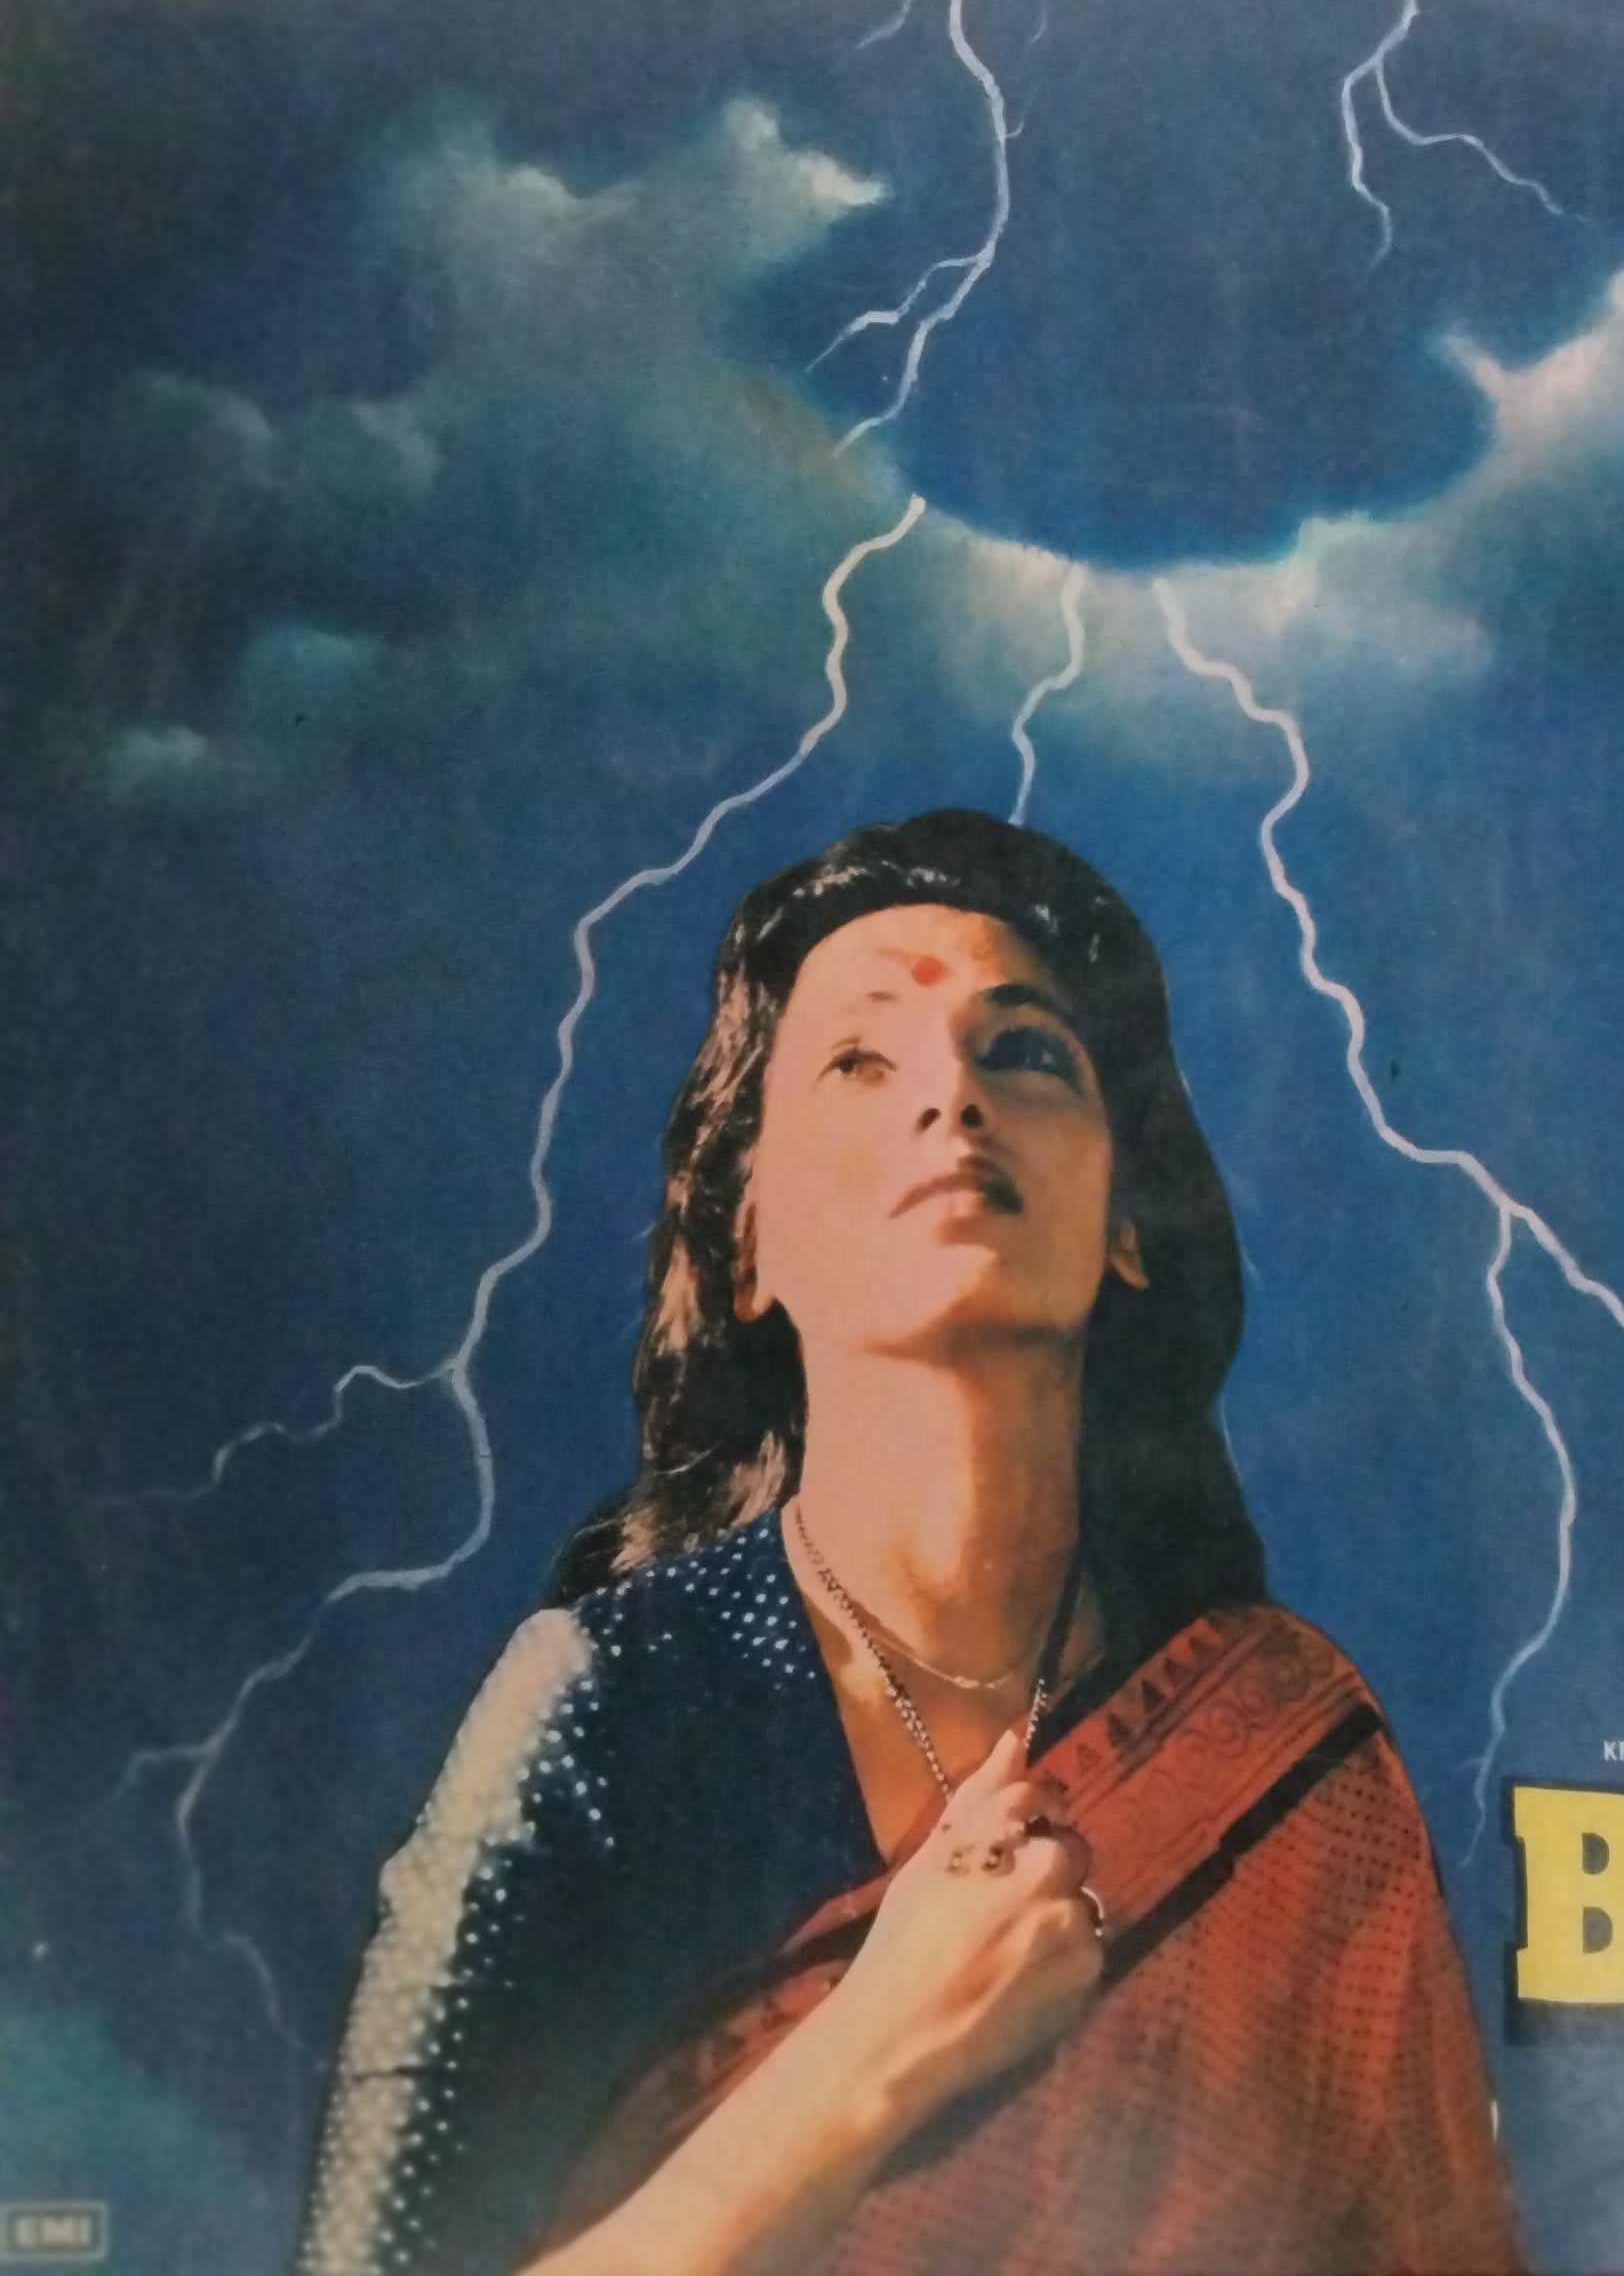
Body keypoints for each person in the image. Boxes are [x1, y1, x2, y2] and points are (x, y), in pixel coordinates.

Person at [296, 809, 1518, 2276]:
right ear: (748, 1242)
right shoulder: (605, 1710)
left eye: (1027, 1053)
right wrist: (876, 2052)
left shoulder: (1285, 1758)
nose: (953, 1093)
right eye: (862, 1061)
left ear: (1128, 1222)